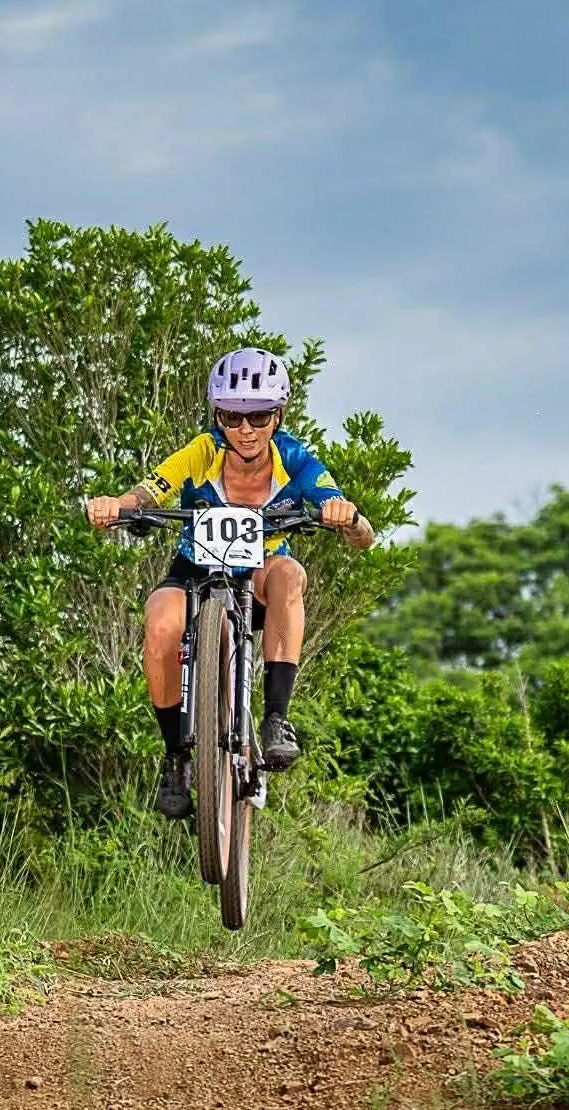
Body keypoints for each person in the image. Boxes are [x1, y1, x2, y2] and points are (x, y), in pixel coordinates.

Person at [85, 347, 376, 819]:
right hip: (195, 569)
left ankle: (277, 719)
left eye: (258, 417)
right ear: (217, 416)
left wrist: (349, 518)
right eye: (231, 416)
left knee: (289, 574)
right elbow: (151, 489)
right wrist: (117, 505)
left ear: (278, 416)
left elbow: (359, 530)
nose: (246, 430)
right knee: (159, 623)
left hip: (260, 574)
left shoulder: (295, 459)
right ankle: (176, 757)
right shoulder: (202, 451)